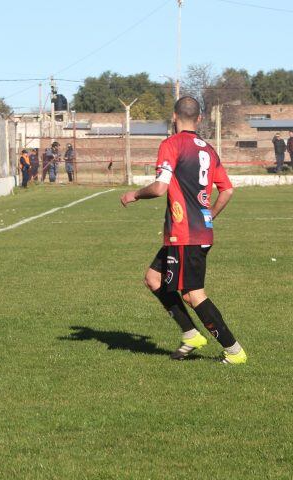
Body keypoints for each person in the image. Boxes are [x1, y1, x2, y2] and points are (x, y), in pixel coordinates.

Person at [119, 96, 248, 365]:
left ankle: (234, 351)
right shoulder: (209, 150)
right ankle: (191, 334)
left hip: (185, 233)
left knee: (192, 294)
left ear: (174, 117)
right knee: (154, 279)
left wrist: (134, 194)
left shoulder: (172, 145)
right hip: (193, 231)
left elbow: (159, 187)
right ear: (199, 119)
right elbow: (227, 189)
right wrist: (209, 214)